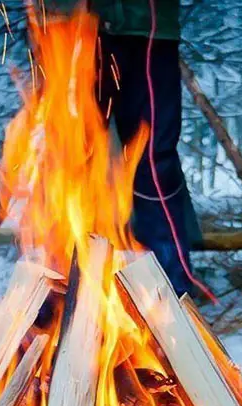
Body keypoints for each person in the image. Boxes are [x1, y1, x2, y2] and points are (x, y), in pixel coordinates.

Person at [44, 0, 199, 296]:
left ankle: (172, 294)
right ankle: (61, 286)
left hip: (147, 26)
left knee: (154, 160)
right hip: (67, 24)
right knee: (68, 155)